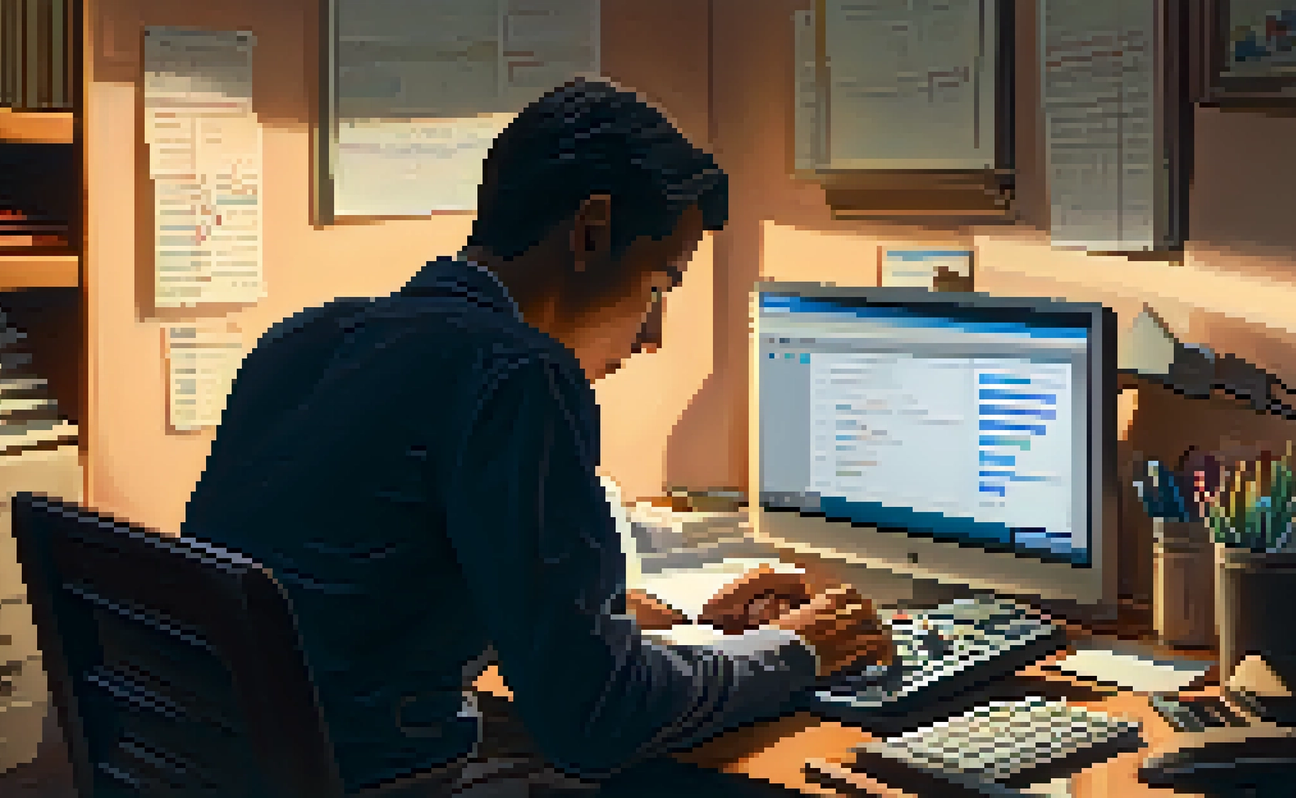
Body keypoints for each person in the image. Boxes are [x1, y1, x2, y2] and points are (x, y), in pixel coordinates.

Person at [182, 78, 894, 797]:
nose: (653, 336)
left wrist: (660, 622)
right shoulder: (520, 375)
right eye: (658, 287)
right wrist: (801, 651)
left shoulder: (307, 336)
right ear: (590, 233)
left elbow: (373, 597)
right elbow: (599, 719)